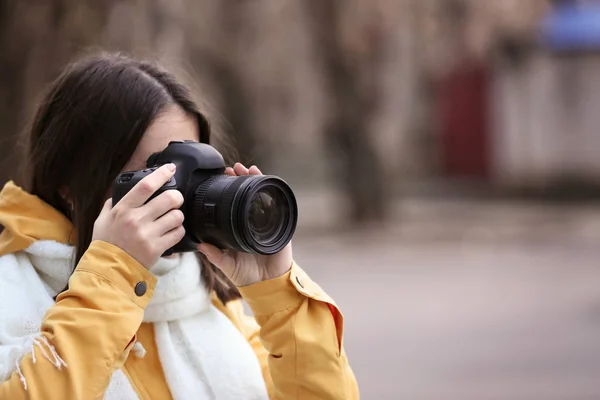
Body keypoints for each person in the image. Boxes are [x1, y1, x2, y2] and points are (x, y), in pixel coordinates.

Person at [0, 53, 358, 399]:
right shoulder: (10, 290)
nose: (183, 197)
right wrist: (114, 275)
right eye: (163, 175)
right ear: (70, 185)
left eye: (196, 172)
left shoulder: (202, 297)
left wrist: (280, 296)